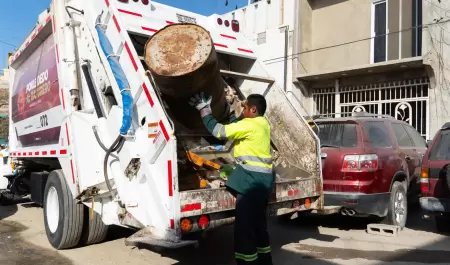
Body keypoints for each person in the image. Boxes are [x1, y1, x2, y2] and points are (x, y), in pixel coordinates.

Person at [189, 92, 273, 265]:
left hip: (251, 184)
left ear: (254, 109)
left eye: (246, 107)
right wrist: (240, 114)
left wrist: (204, 110)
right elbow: (240, 125)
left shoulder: (249, 125)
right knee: (259, 228)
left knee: (244, 230)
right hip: (263, 183)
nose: (243, 109)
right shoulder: (263, 123)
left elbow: (220, 132)